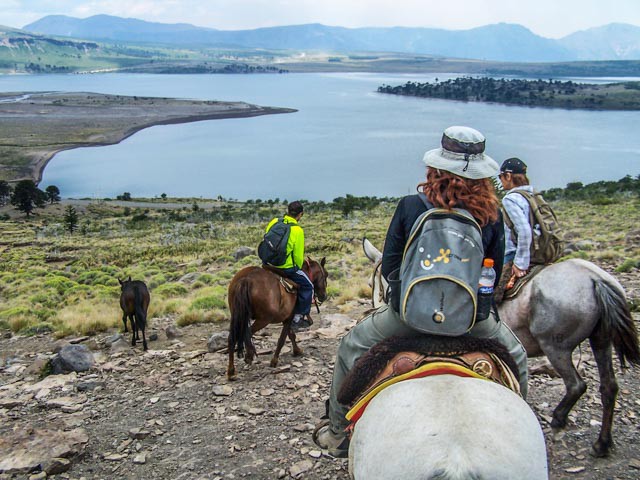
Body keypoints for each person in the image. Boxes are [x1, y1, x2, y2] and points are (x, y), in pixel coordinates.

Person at [313, 126, 529, 458]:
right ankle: (520, 432)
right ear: (483, 174)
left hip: (407, 317)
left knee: (349, 348)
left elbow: (390, 267)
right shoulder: (491, 215)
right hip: (472, 321)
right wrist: (479, 308)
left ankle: (338, 435)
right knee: (517, 357)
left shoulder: (411, 206)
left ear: (437, 167)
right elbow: (492, 273)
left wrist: (404, 299)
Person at [264, 201, 314, 331]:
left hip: (268, 263)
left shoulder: (274, 221)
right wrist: (296, 267)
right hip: (285, 268)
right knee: (308, 286)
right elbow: (298, 256)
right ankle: (298, 318)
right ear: (300, 214)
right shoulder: (297, 230)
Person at [495, 158, 533, 302]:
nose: (501, 180)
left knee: (489, 295)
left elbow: (524, 230)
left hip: (512, 254)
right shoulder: (532, 195)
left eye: (501, 176)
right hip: (537, 251)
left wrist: (520, 263)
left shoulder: (510, 199)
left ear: (508, 176)